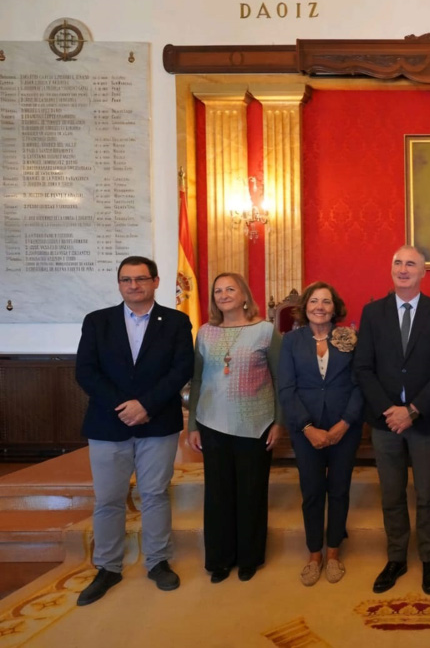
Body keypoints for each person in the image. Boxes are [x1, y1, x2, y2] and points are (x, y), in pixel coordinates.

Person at [74, 256, 194, 606]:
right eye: (126, 279)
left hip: (158, 422)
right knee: (109, 499)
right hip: (108, 423)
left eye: (141, 279)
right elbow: (86, 371)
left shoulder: (176, 321)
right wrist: (124, 406)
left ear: (155, 282)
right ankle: (108, 567)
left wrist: (146, 405)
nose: (133, 285)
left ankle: (158, 562)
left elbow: (181, 369)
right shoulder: (97, 321)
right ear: (119, 284)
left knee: (154, 494)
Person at [353, 245, 430, 595]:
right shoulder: (373, 312)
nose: (403, 268)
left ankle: (429, 558)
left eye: (411, 264)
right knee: (392, 494)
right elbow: (363, 368)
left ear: (423, 272)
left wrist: (412, 410)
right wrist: (390, 410)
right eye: (397, 262)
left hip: (425, 420)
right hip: (385, 422)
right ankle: (396, 557)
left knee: (428, 494)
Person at [187, 272, 283, 583]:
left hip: (255, 423)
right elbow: (197, 380)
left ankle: (249, 558)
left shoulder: (265, 331)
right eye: (218, 291)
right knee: (218, 494)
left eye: (231, 289)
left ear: (244, 295)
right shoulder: (205, 332)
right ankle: (219, 560)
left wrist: (279, 422)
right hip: (211, 422)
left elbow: (281, 379)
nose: (224, 294)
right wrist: (192, 424)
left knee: (251, 492)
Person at [278, 282, 363, 587]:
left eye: (326, 301)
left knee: (339, 490)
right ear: (305, 306)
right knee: (312, 491)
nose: (320, 307)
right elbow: (286, 388)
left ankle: (334, 552)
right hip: (306, 430)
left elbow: (360, 384)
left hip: (345, 428)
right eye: (314, 301)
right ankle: (314, 554)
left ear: (334, 307)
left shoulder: (350, 338)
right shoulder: (291, 341)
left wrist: (345, 423)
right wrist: (307, 427)